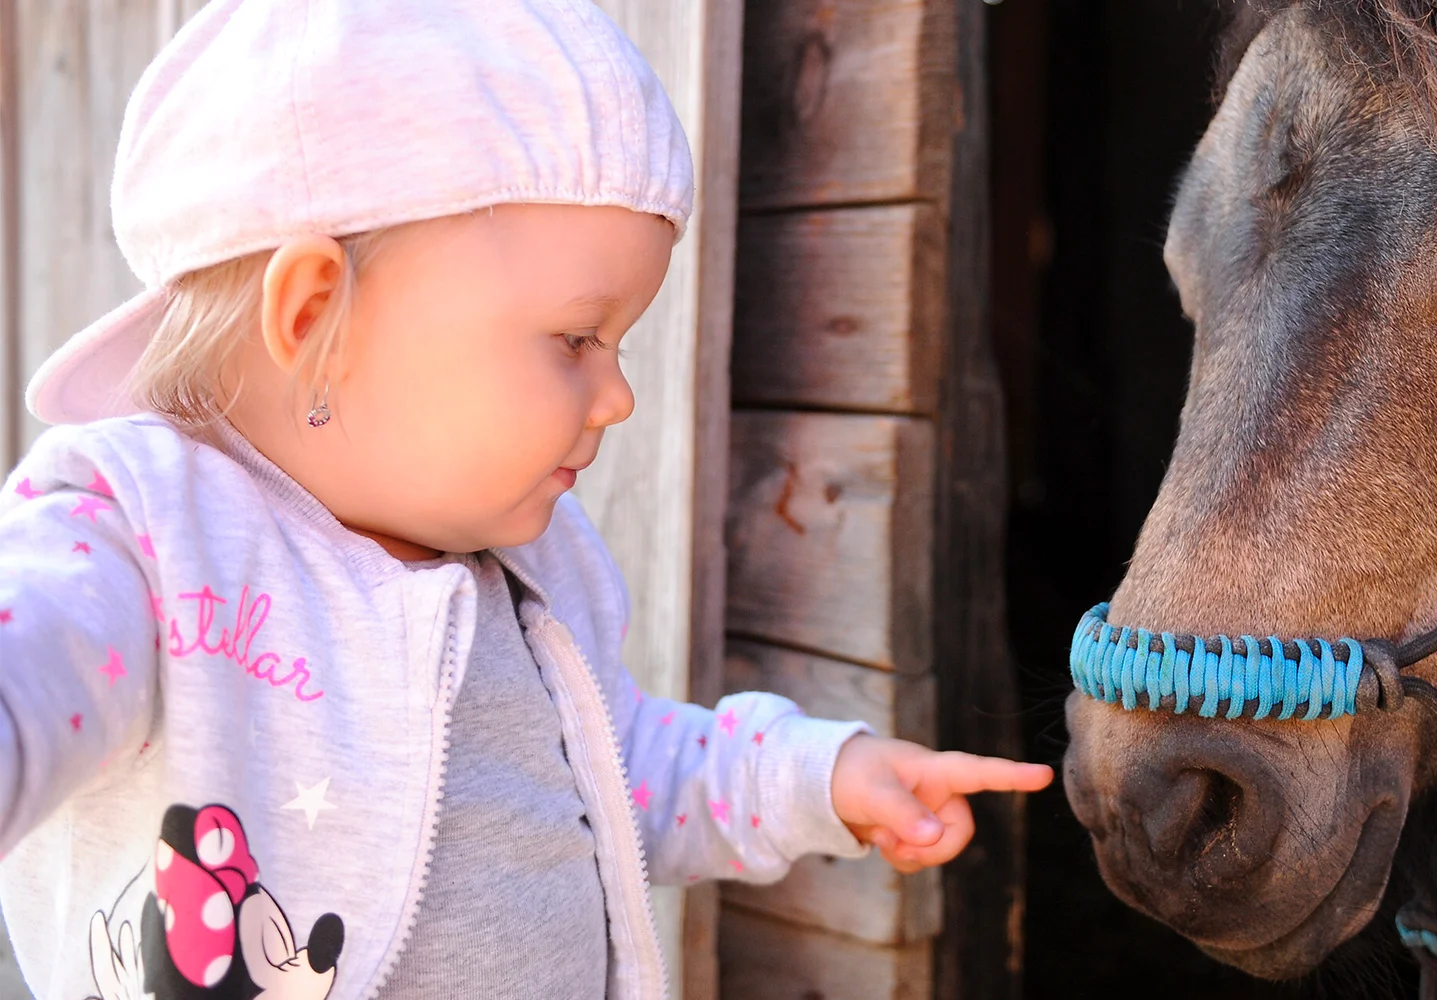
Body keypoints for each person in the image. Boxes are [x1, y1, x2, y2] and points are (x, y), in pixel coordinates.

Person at [0, 2, 1052, 998]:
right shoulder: (140, 536)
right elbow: (33, 656)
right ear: (316, 314)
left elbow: (621, 772)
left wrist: (814, 778)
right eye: (576, 338)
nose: (619, 394)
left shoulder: (530, 575)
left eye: (619, 343)